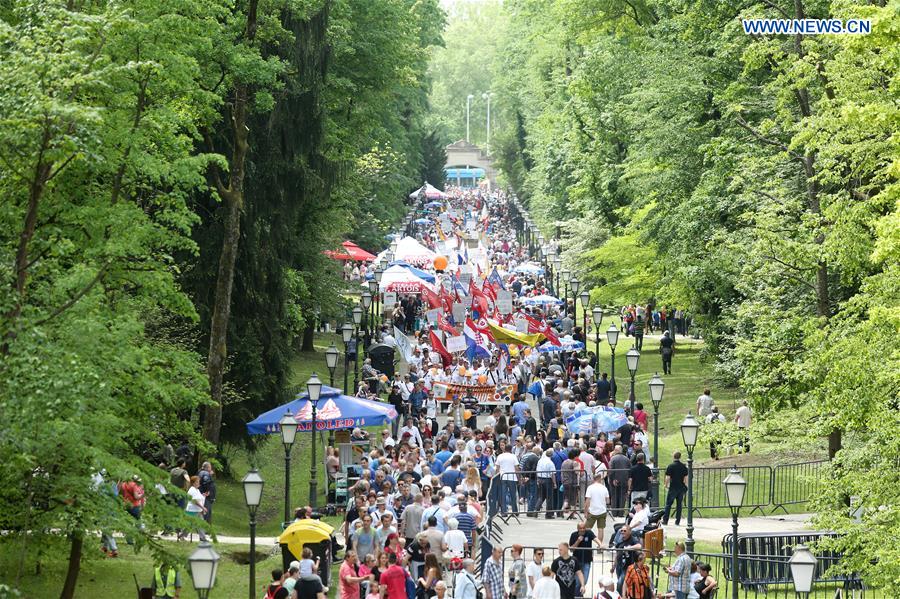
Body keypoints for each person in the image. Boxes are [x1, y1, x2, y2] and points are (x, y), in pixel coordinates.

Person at [569, 521, 598, 589]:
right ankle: (577, 595)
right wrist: (578, 541)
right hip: (577, 561)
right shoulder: (574, 535)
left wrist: (600, 544)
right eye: (580, 528)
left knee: (584, 581)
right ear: (578, 528)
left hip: (587, 561)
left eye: (583, 528)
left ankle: (579, 593)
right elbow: (571, 549)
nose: (582, 530)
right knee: (577, 581)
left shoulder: (589, 533)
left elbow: (595, 539)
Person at [662, 452, 689, 526]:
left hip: (673, 487)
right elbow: (685, 478)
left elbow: (668, 477)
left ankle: (665, 520)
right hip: (681, 487)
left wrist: (666, 484)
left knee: (668, 504)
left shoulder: (671, 466)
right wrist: (686, 486)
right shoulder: (683, 466)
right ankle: (677, 521)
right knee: (679, 505)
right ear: (680, 457)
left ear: (673, 456)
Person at [584, 472, 610, 543]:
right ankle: (600, 546)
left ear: (593, 479)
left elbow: (587, 500)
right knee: (600, 529)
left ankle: (587, 544)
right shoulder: (604, 488)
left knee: (587, 529)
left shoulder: (590, 488)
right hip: (602, 511)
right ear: (600, 479)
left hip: (592, 511)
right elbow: (608, 501)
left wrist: (585, 511)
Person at [183, 475, 208, 541]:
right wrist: (203, 508)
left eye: (199, 482)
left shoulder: (197, 490)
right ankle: (182, 535)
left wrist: (203, 495)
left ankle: (202, 538)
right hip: (192, 510)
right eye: (197, 482)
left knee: (201, 524)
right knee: (190, 525)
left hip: (197, 510)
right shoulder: (192, 490)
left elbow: (199, 498)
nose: (199, 483)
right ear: (194, 483)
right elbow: (195, 501)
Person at [608, 447, 631, 517]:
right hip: (624, 480)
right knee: (622, 497)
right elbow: (630, 470)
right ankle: (621, 513)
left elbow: (611, 470)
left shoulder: (613, 458)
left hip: (615, 481)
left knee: (614, 496)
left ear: (616, 451)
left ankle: (614, 513)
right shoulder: (627, 459)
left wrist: (612, 479)